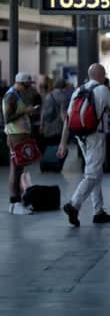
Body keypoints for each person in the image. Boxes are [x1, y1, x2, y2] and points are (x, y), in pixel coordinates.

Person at [58, 64, 110, 227]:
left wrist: (63, 143)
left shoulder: (78, 91)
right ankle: (74, 204)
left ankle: (98, 212)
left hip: (80, 136)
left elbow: (68, 119)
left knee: (95, 172)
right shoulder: (103, 90)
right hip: (96, 136)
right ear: (102, 75)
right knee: (92, 174)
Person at [2, 72, 37, 215]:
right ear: (21, 83)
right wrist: (25, 112)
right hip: (15, 135)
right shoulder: (11, 96)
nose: (29, 88)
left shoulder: (16, 95)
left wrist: (27, 112)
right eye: (27, 85)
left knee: (19, 169)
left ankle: (18, 201)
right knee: (15, 169)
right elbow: (8, 118)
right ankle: (14, 202)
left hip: (20, 135)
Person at [40, 78, 67, 151]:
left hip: (47, 126)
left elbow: (43, 112)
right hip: (57, 127)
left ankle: (47, 160)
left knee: (48, 147)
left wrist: (41, 125)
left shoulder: (48, 95)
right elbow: (62, 113)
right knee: (57, 148)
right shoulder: (63, 97)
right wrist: (66, 125)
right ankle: (54, 161)